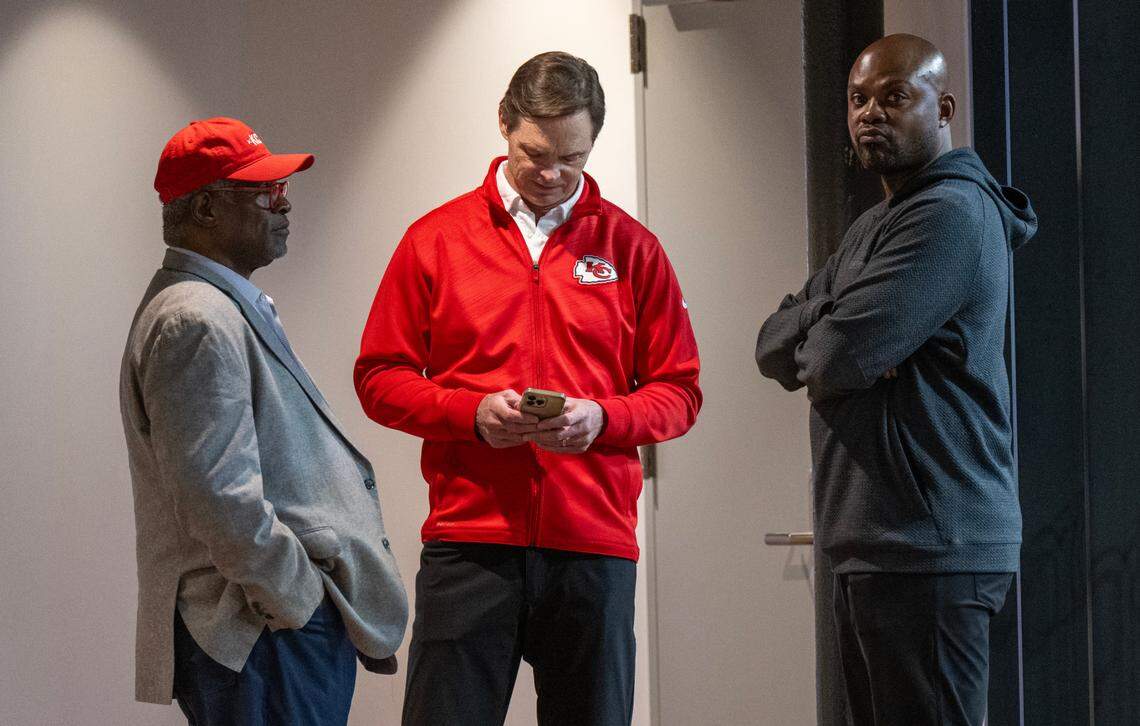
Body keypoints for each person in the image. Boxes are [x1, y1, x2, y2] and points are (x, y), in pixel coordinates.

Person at [355, 52, 701, 725]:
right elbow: (379, 378)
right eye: (535, 153)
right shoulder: (435, 241)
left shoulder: (633, 250)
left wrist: (603, 418)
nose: (552, 174)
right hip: (470, 544)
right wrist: (470, 412)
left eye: (572, 157)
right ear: (504, 125)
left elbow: (679, 390)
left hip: (593, 548)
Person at [755, 34, 1037, 726]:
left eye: (893, 97)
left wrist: (826, 325)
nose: (869, 114)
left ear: (941, 109)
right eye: (857, 100)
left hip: (931, 546)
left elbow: (831, 359)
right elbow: (772, 345)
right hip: (877, 546)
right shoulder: (874, 226)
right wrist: (832, 317)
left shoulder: (951, 216)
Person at [119, 117, 408, 725]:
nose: (284, 204)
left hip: (269, 632)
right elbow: (219, 496)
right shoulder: (195, 319)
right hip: (259, 633)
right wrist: (300, 601)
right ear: (204, 210)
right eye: (263, 192)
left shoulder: (216, 307)